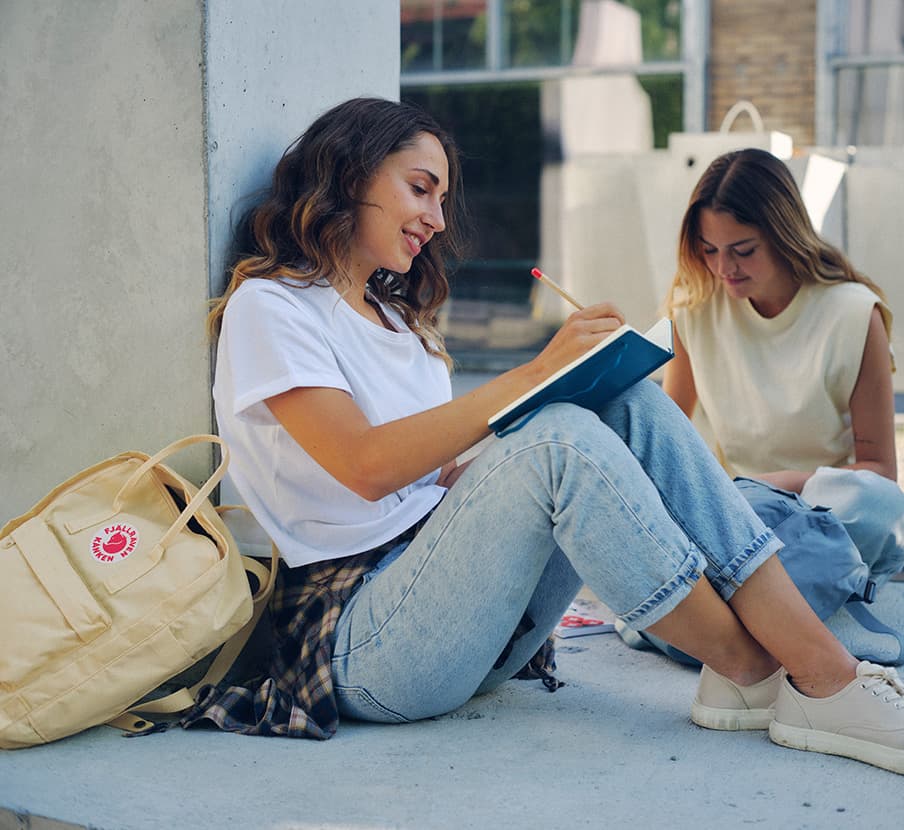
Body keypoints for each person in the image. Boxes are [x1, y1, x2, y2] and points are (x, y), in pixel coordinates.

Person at [193, 97, 904, 774]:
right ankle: (782, 672)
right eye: (421, 189)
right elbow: (366, 467)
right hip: (359, 639)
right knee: (560, 437)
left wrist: (542, 416)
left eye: (442, 199)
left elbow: (426, 484)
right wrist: (538, 376)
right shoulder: (274, 306)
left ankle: (784, 671)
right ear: (350, 176)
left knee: (619, 398)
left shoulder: (397, 320)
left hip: (466, 621)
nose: (438, 218)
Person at [663, 148, 904, 602]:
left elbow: (880, 476)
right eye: (709, 250)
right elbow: (668, 437)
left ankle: (736, 605)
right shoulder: (693, 307)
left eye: (743, 250)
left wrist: (774, 486)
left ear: (782, 235)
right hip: (733, 515)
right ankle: (778, 601)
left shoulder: (853, 313)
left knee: (881, 504)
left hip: (821, 513)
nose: (723, 269)